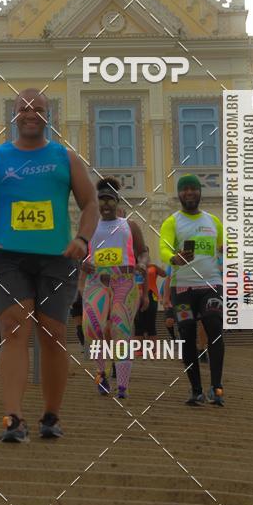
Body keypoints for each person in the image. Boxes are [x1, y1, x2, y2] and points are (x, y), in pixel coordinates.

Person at [0, 88, 99, 442]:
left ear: (46, 116)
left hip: (58, 258)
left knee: (53, 334)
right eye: (24, 109)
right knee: (12, 329)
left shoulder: (65, 158)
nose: (30, 114)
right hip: (9, 257)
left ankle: (51, 416)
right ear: (14, 115)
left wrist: (82, 240)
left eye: (37, 109)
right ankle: (13, 417)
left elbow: (91, 204)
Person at [159, 173, 225, 407]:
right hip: (183, 288)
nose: (189, 193)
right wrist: (174, 259)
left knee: (215, 330)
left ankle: (216, 388)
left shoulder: (213, 221)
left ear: (199, 193)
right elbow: (164, 249)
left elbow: (225, 247)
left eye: (193, 189)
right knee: (187, 336)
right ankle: (196, 390)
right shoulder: (172, 222)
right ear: (179, 194)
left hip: (211, 285)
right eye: (185, 189)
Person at [80, 177, 148, 400]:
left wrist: (142, 264)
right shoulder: (89, 226)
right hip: (96, 280)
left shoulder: (130, 226)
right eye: (102, 200)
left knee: (121, 331)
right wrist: (82, 262)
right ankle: (101, 373)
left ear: (117, 201)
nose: (106, 204)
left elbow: (143, 251)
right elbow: (78, 253)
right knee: (92, 327)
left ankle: (123, 386)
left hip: (124, 281)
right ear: (96, 202)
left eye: (110, 199)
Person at [134, 252, 167, 353]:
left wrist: (155, 266)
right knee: (138, 322)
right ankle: (139, 349)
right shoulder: (133, 267)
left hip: (151, 294)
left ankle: (153, 349)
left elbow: (164, 274)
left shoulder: (153, 267)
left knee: (151, 321)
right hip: (135, 295)